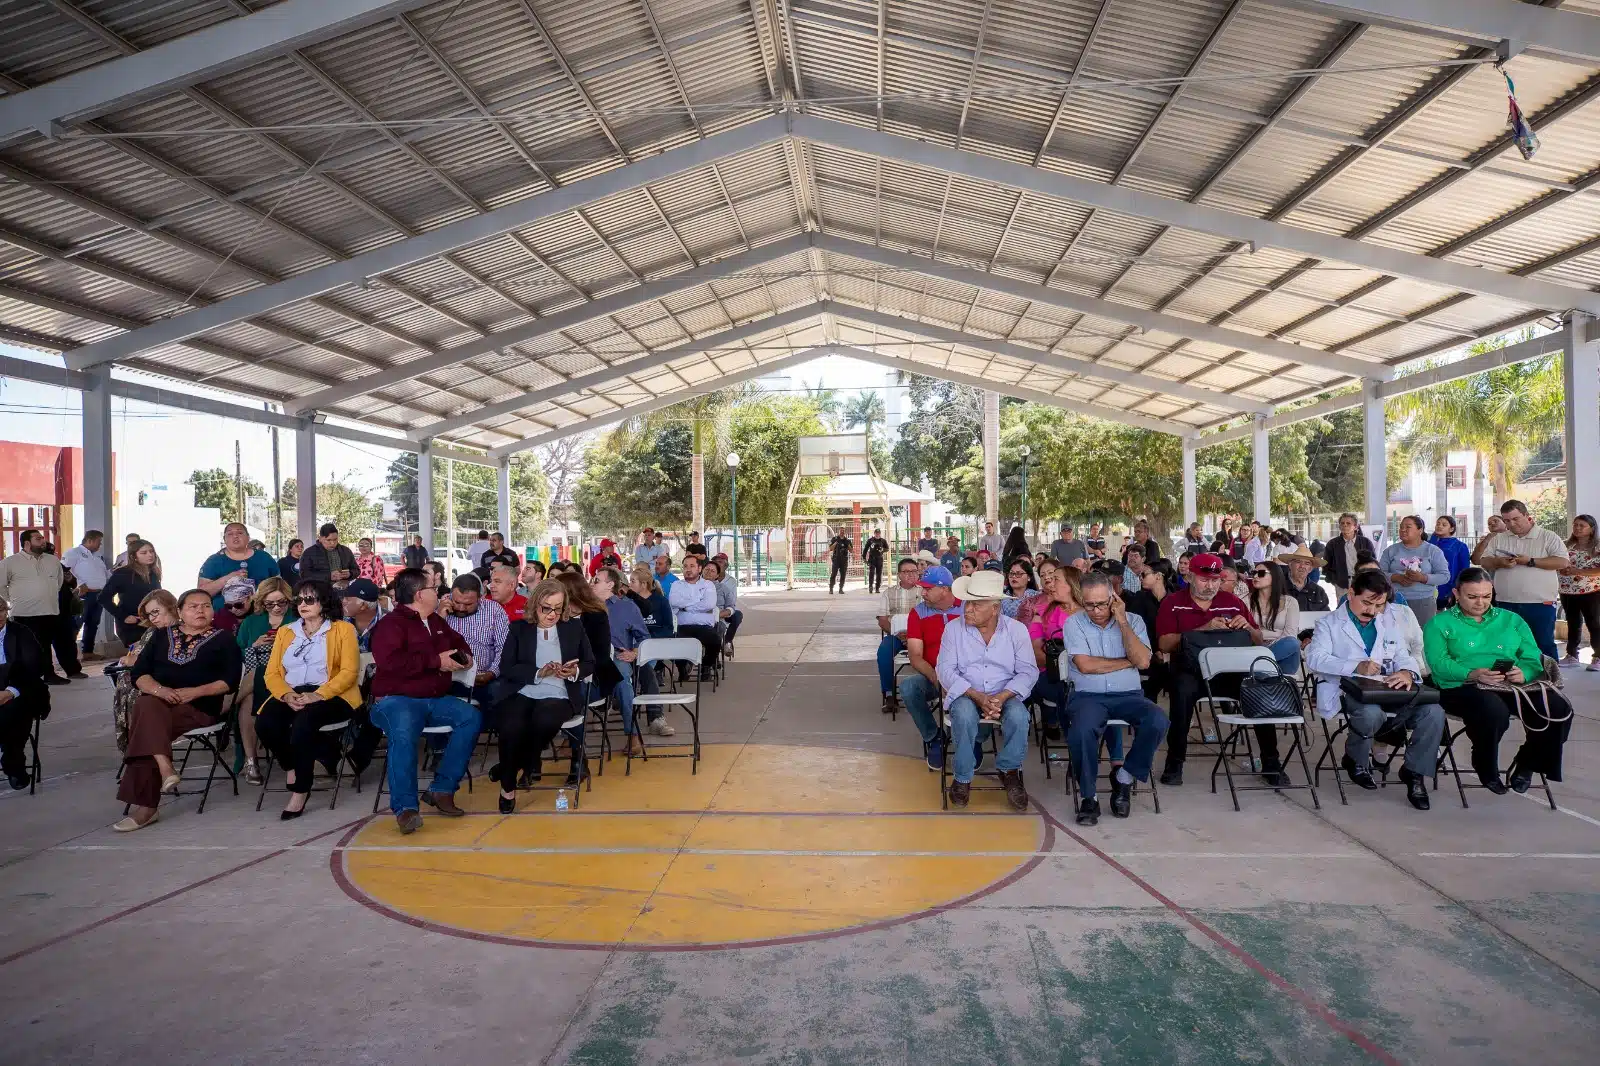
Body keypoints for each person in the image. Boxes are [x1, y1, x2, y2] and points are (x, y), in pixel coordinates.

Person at [1425, 566, 1574, 793]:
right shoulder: (1439, 623)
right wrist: (1472, 673)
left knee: (1558, 707)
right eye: (1472, 597)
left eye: (1486, 596)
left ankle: (1529, 762)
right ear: (1456, 594)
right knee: (1493, 711)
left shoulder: (1511, 620)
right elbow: (1438, 664)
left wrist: (1524, 671)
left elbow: (1532, 655)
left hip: (1510, 683)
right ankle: (1485, 764)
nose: (1480, 603)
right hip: (1462, 685)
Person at [1307, 570, 1444, 810]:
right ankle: (1356, 759)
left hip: (1388, 690)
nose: (1371, 611)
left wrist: (1406, 673)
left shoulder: (1386, 623)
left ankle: (1414, 773)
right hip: (1348, 690)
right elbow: (1316, 659)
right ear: (1351, 594)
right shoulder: (1328, 624)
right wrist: (1354, 666)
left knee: (1433, 712)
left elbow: (1404, 655)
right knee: (1371, 714)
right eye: (1367, 602)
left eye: (1379, 605)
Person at [113, 589, 243, 831]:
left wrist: (194, 692)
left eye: (206, 606)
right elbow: (139, 674)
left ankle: (148, 807)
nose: (200, 610)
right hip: (160, 701)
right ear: (180, 611)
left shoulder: (224, 639)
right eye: (193, 606)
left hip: (198, 707)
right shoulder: (162, 636)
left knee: (144, 716)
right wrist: (161, 690)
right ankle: (165, 768)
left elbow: (230, 681)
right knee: (148, 705)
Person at [367, 567, 481, 833]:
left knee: (471, 717)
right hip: (395, 700)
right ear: (420, 594)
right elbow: (391, 662)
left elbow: (459, 643)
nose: (438, 591)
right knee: (404, 730)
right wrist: (436, 661)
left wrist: (464, 658)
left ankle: (441, 789)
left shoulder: (435, 621)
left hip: (433, 698)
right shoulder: (390, 625)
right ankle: (405, 808)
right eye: (433, 587)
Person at [1154, 552, 1269, 787]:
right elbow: (1164, 644)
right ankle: (1174, 762)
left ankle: (1272, 762)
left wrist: (1247, 626)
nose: (1211, 585)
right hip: (1190, 670)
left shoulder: (1231, 602)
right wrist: (1202, 629)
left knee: (1259, 693)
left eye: (1216, 580)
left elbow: (1260, 641)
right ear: (1190, 578)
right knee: (1181, 695)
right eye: (1205, 579)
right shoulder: (1173, 602)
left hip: (1230, 671)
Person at [1063, 572, 1167, 825]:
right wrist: (1126, 662)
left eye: (1102, 603)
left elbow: (1143, 661)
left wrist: (1121, 621)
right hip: (1088, 696)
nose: (1096, 610)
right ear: (1082, 600)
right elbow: (1085, 666)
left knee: (1158, 720)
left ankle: (1124, 778)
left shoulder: (1134, 621)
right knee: (1081, 730)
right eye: (1090, 605)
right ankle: (1089, 797)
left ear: (1113, 598)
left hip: (1129, 695)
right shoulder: (1074, 623)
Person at [255, 580, 360, 819]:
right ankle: (291, 765)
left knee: (303, 723)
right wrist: (286, 694)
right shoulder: (286, 631)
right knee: (265, 723)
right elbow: (271, 673)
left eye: (309, 599)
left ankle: (301, 790)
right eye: (299, 599)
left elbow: (349, 673)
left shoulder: (343, 629)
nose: (303, 604)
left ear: (324, 603)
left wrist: (317, 695)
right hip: (293, 691)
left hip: (333, 693)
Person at [937, 570, 1038, 811]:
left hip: (1005, 692)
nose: (967, 609)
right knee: (962, 714)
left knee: (1019, 716)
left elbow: (1028, 671)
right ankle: (962, 777)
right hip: (967, 692)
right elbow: (945, 670)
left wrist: (1002, 696)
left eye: (976, 604)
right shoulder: (953, 629)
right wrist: (977, 696)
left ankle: (1008, 769)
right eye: (968, 602)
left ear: (995, 609)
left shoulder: (1016, 630)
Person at [491, 579, 595, 811]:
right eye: (546, 608)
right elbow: (507, 667)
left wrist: (573, 671)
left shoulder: (573, 627)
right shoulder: (519, 628)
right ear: (535, 604)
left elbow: (589, 663)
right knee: (511, 726)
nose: (552, 614)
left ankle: (509, 768)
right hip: (524, 689)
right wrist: (539, 671)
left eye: (558, 608)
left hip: (560, 692)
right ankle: (508, 788)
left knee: (544, 720)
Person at [1470, 500, 1568, 660]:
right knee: (1507, 644)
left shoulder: (1547, 536)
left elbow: (1563, 562)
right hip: (1506, 602)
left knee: (1542, 643)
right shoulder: (1499, 538)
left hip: (1540, 603)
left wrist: (1531, 561)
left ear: (1527, 516)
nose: (1512, 524)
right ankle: (1514, 680)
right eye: (1507, 520)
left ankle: (1549, 679)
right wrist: (1499, 562)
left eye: (1516, 519)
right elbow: (1483, 561)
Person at [898, 566, 963, 770]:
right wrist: (939, 678)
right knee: (908, 688)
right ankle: (934, 737)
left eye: (927, 588)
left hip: (968, 676)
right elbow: (916, 657)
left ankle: (976, 740)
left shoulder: (968, 608)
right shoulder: (918, 613)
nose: (922, 593)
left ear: (944, 589)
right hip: (934, 676)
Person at [594, 566, 665, 754]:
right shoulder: (586, 605)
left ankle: (632, 735)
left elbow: (644, 637)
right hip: (588, 658)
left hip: (616, 656)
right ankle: (571, 741)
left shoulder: (626, 607)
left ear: (610, 584)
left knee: (623, 682)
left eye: (596, 580)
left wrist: (634, 652)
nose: (591, 583)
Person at [233, 577, 294, 786]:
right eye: (270, 603)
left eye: (281, 602)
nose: (276, 607)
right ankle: (251, 762)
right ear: (261, 602)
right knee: (249, 697)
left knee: (259, 676)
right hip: (256, 679)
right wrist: (256, 646)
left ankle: (226, 704)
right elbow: (238, 654)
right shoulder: (251, 622)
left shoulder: (297, 618)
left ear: (289, 600)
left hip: (288, 678)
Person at [108, 591, 178, 757]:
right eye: (149, 614)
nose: (152, 618)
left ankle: (141, 751)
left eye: (156, 612)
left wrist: (135, 661)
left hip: (169, 686)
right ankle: (139, 750)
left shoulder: (181, 632)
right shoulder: (152, 631)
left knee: (139, 696)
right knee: (132, 688)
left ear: (171, 607)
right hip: (144, 684)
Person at [0, 529, 68, 684]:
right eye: (38, 539)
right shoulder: (10, 562)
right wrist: (13, 599)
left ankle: (49, 674)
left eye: (43, 538)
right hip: (24, 613)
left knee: (45, 645)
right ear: (27, 543)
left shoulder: (53, 560)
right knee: (26, 648)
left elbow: (58, 582)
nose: (43, 541)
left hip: (49, 611)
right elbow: (1, 586)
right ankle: (27, 677)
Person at [0, 595, 50, 790]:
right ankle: (14, 765)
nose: (0, 615)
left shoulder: (21, 632)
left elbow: (35, 667)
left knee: (14, 709)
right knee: (10, 717)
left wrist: (10, 692)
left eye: (2, 610)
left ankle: (12, 762)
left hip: (23, 689)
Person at [442, 573, 509, 710]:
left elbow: (504, 647)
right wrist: (439, 618)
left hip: (483, 677)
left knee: (499, 693)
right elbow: (426, 644)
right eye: (457, 602)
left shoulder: (494, 611)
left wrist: (492, 673)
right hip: (446, 676)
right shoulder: (439, 609)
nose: (461, 608)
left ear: (480, 598)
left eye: (468, 604)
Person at [1379, 516, 1448, 627]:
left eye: (1408, 527)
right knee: (1395, 637)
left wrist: (1422, 578)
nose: (1403, 530)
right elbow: (1379, 575)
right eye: (1401, 527)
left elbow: (1444, 576)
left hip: (1423, 602)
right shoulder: (1390, 550)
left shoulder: (1432, 550)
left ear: (1420, 530)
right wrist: (1395, 577)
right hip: (1394, 601)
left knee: (1422, 637)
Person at [875, 558, 924, 715]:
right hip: (896, 635)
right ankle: (889, 695)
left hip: (921, 636)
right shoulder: (888, 593)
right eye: (906, 572)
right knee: (884, 652)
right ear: (899, 575)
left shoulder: (924, 591)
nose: (910, 575)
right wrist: (898, 633)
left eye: (914, 571)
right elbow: (883, 620)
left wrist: (914, 634)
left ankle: (933, 690)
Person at [197, 521, 280, 611]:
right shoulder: (214, 561)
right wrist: (229, 578)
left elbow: (280, 585)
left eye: (240, 533)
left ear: (248, 538)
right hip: (224, 616)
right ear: (224, 539)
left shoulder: (264, 557)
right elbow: (201, 593)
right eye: (230, 534)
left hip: (260, 615)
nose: (235, 536)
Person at [101, 539, 162, 650]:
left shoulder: (153, 573)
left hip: (151, 622)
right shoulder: (123, 573)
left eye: (151, 551)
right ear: (134, 556)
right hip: (131, 624)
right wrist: (123, 616)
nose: (150, 555)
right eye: (144, 553)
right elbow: (103, 598)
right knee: (139, 656)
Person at [1558, 514, 1600, 670]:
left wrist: (1579, 571)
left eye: (1582, 525)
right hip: (1567, 591)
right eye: (1575, 525)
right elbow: (1557, 562)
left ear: (1592, 528)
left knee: (1594, 624)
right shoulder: (1565, 545)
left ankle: (1597, 658)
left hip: (1591, 591)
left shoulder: (1598, 546)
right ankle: (1572, 655)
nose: (1577, 528)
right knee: (1573, 623)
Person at [668, 554, 721, 676]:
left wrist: (685, 607)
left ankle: (706, 665)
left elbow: (709, 604)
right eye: (685, 566)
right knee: (670, 643)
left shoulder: (708, 585)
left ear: (699, 569)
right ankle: (683, 666)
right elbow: (674, 601)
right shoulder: (677, 585)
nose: (688, 569)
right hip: (682, 626)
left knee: (715, 641)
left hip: (704, 626)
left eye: (692, 566)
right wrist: (697, 603)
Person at [1247, 559, 1303, 676]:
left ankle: (1258, 667)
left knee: (1292, 643)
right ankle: (1261, 671)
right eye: (1253, 573)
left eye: (1261, 573)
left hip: (1281, 649)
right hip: (1254, 648)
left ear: (1274, 576)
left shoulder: (1290, 602)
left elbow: (1290, 634)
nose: (1256, 576)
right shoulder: (1245, 600)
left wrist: (1272, 646)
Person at [62, 530, 108, 661]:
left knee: (93, 623)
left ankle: (88, 652)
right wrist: (80, 584)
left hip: (98, 594)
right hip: (83, 596)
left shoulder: (98, 556)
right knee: (76, 624)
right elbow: (64, 571)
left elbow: (103, 573)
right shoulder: (73, 553)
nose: (100, 545)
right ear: (90, 540)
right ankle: (68, 655)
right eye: (99, 542)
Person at [1322, 513, 1374, 595]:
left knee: (1362, 606)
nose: (1344, 525)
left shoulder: (1365, 543)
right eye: (1342, 523)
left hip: (1363, 583)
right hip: (1342, 585)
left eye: (1348, 523)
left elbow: (1373, 563)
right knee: (1343, 606)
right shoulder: (1332, 544)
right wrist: (1335, 580)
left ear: (1356, 527)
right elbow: (1326, 565)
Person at [298, 523, 356, 591]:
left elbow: (356, 570)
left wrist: (350, 574)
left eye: (335, 539)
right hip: (320, 593)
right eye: (328, 540)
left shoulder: (346, 551)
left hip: (344, 592)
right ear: (320, 539)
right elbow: (304, 574)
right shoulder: (309, 553)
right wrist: (328, 576)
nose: (332, 543)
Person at [1429, 516, 1471, 608]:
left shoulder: (1460, 546)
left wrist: (1456, 588)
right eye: (1438, 524)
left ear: (1451, 529)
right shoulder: (1430, 544)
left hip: (1450, 587)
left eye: (1444, 525)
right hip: (1430, 586)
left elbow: (1464, 570)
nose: (1439, 526)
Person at [703, 559, 742, 655]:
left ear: (717, 575)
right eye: (707, 570)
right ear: (702, 571)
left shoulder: (724, 588)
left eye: (712, 571)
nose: (709, 573)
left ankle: (711, 660)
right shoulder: (694, 586)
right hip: (697, 619)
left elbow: (731, 606)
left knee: (718, 629)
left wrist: (719, 614)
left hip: (718, 619)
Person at [630, 565, 674, 641]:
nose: (629, 584)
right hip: (634, 644)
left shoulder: (662, 601)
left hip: (657, 643)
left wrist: (649, 638)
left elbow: (668, 629)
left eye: (633, 581)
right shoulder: (629, 602)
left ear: (643, 584)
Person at [1280, 545, 1330, 612]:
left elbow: (1325, 616)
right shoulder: (1278, 586)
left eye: (1307, 563)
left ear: (1310, 569)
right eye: (1298, 562)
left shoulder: (1319, 591)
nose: (1302, 566)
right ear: (1290, 564)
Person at [341, 578, 387, 650]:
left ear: (363, 606)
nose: (343, 601)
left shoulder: (390, 623)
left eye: (347, 599)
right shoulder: (339, 620)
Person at [863, 528, 889, 594]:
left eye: (878, 533)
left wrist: (882, 549)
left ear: (880, 534)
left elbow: (887, 548)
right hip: (872, 559)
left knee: (879, 574)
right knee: (871, 573)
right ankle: (870, 586)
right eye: (876, 533)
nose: (877, 534)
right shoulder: (870, 540)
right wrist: (864, 558)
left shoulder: (883, 541)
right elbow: (865, 549)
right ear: (874, 533)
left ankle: (877, 588)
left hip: (879, 559)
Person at [826, 529, 852, 594]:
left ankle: (841, 588)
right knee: (833, 574)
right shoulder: (835, 539)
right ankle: (831, 588)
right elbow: (830, 548)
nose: (842, 532)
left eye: (843, 531)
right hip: (836, 559)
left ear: (845, 532)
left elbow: (851, 550)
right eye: (841, 531)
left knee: (843, 575)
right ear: (838, 532)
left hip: (844, 560)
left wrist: (848, 544)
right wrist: (836, 543)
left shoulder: (847, 540)